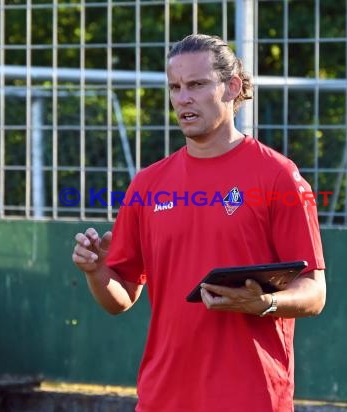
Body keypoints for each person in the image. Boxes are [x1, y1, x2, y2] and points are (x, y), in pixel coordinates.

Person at [72, 33, 326, 412]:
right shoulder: (148, 184)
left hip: (251, 399)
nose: (182, 98)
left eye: (196, 85)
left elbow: (315, 292)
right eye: (175, 87)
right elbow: (121, 297)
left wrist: (265, 303)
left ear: (232, 88)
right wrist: (96, 271)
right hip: (163, 400)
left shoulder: (277, 176)